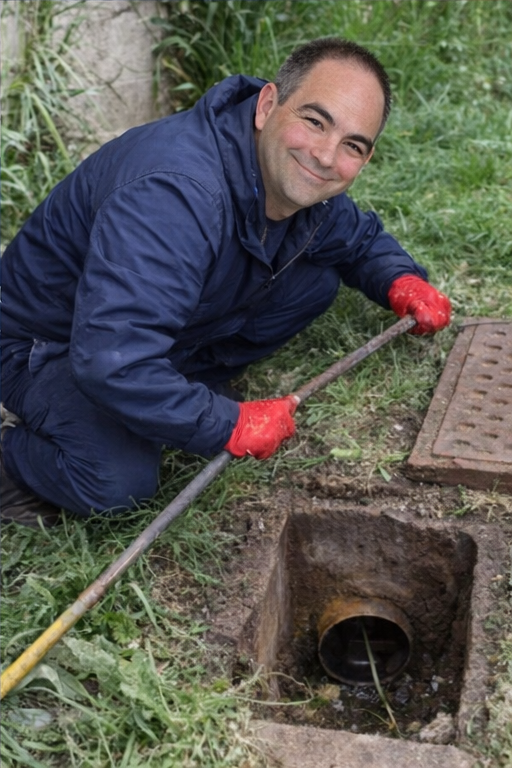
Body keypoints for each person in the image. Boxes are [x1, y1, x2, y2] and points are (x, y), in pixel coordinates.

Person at [1, 37, 451, 528]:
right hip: (48, 344)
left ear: (365, 159)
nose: (325, 155)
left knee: (316, 281)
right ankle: (13, 459)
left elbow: (355, 240)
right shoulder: (174, 194)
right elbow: (112, 360)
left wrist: (403, 281)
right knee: (117, 483)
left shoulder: (294, 181)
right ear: (266, 105)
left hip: (128, 329)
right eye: (315, 121)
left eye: (352, 145)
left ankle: (174, 385)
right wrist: (227, 424)